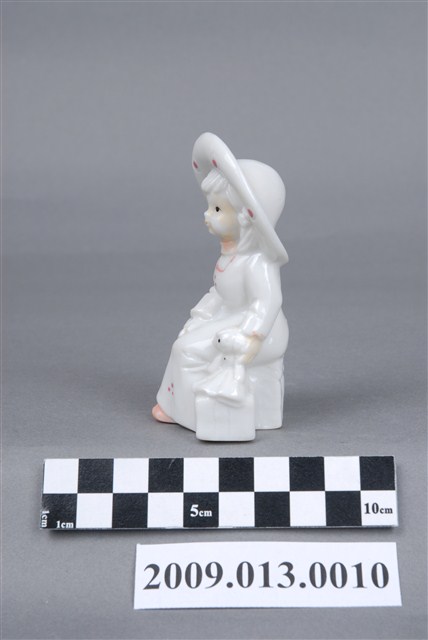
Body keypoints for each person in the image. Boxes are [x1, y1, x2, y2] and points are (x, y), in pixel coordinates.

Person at [152, 133, 289, 441]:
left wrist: (250, 337)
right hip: (230, 318)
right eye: (210, 207)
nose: (207, 215)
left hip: (260, 333)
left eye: (217, 209)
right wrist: (201, 316)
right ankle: (174, 404)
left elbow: (267, 302)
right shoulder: (231, 256)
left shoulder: (258, 262)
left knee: (186, 351)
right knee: (184, 340)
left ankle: (188, 412)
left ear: (245, 218)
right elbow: (220, 293)